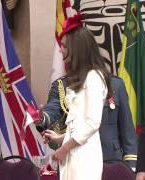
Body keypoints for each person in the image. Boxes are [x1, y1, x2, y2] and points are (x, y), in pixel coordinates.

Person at [39, 13, 111, 180]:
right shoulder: (83, 77)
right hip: (75, 153)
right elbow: (79, 126)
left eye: (63, 45)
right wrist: (60, 138)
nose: (60, 49)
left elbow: (92, 123)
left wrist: (64, 148)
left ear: (76, 48)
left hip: (84, 158)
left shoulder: (94, 77)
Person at [36, 75, 138, 170]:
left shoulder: (115, 84)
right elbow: (53, 109)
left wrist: (131, 168)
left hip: (110, 162)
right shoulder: (63, 85)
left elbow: (128, 133)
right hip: (75, 162)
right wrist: (43, 118)